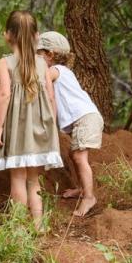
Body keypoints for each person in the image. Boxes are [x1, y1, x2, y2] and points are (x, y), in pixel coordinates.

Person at [0, 11, 63, 230]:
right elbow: (50, 96)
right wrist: (51, 126)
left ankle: (19, 229)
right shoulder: (42, 64)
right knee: (33, 181)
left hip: (18, 132)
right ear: (37, 36)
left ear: (7, 35)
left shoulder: (5, 63)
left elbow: (4, 95)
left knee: (18, 179)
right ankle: (39, 226)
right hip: (40, 130)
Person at [36, 31, 104, 217]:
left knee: (80, 158)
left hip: (86, 118)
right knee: (74, 154)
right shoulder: (64, 72)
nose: (36, 59)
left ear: (50, 55)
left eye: (38, 55)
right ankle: (82, 189)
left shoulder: (57, 70)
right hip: (84, 118)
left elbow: (40, 80)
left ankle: (89, 197)